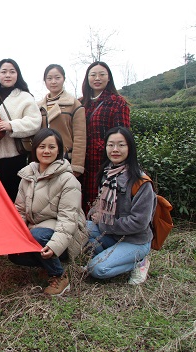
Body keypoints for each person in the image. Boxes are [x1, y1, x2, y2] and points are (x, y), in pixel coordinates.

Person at [9, 128, 87, 296]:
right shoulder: (27, 176)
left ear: (59, 151)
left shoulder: (68, 180)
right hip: (37, 230)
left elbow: (68, 219)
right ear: (35, 149)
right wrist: (16, 236)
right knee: (15, 254)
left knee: (38, 236)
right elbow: (20, 210)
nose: (46, 151)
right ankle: (46, 263)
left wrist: (55, 246)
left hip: (67, 235)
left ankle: (59, 276)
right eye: (42, 146)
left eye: (52, 147)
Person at [85, 126, 154, 285]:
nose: (115, 149)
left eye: (121, 145)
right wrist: (94, 213)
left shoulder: (141, 182)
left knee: (97, 270)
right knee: (80, 227)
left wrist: (105, 222)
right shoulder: (107, 174)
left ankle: (139, 262)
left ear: (130, 148)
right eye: (110, 145)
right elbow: (101, 203)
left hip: (134, 241)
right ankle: (109, 255)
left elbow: (139, 222)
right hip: (111, 234)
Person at [0, 58, 41, 201]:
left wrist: (12, 125)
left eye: (12, 72)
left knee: (13, 197)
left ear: (18, 75)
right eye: (3, 72)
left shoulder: (25, 96)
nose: (8, 75)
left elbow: (35, 121)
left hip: (15, 156)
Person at [80, 61, 130, 212]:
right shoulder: (81, 103)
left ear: (109, 78)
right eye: (93, 75)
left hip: (105, 159)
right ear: (87, 78)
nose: (97, 78)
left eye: (102, 74)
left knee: (101, 197)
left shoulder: (117, 102)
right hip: (82, 159)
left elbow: (123, 134)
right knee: (81, 197)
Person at [37, 64, 86, 177]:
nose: (53, 81)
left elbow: (80, 138)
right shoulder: (38, 106)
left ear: (64, 79)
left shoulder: (74, 104)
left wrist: (76, 166)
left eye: (57, 78)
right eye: (49, 78)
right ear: (45, 81)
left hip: (65, 159)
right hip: (43, 158)